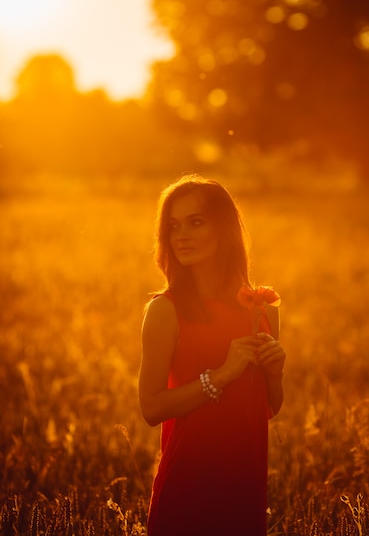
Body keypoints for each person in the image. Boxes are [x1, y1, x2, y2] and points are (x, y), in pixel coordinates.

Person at [138, 175, 286, 536]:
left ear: (224, 229)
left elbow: (268, 407)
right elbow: (151, 408)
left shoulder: (261, 309)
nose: (182, 236)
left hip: (245, 482)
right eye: (174, 226)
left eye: (196, 222)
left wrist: (275, 374)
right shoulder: (165, 310)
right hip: (189, 483)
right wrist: (221, 374)